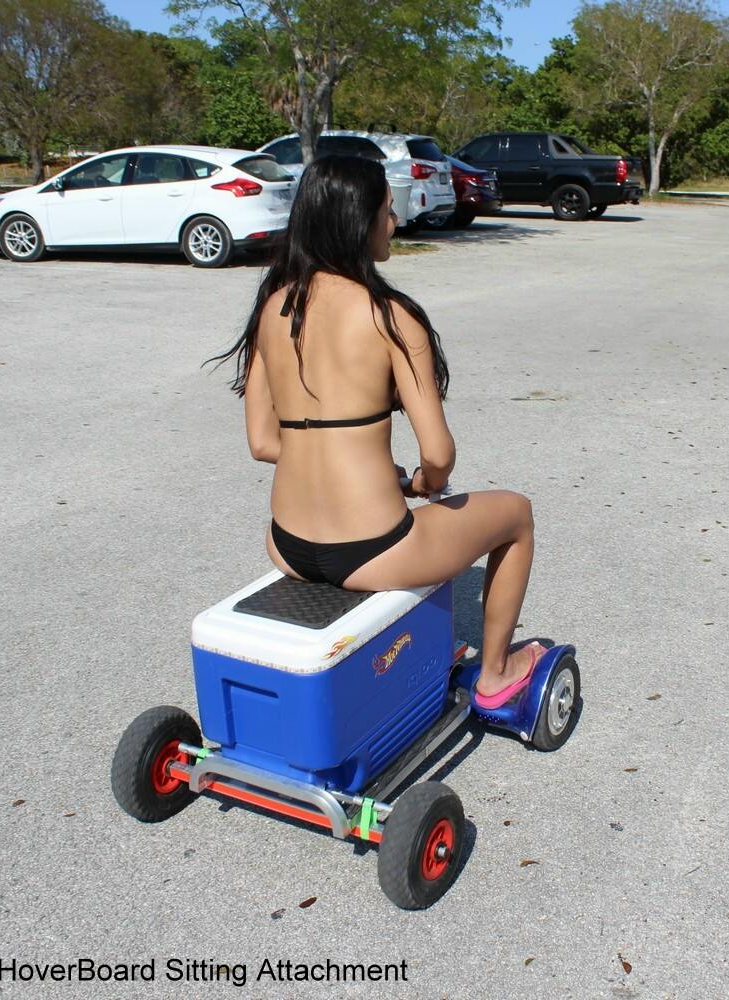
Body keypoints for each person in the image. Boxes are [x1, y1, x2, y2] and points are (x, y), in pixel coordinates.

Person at [208, 155, 543, 709]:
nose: (392, 223)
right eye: (387, 212)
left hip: (287, 545)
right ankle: (495, 673)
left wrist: (371, 469)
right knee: (516, 514)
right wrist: (415, 480)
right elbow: (438, 454)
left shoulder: (272, 308)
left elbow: (263, 444)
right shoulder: (390, 316)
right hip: (372, 549)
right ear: (358, 221)